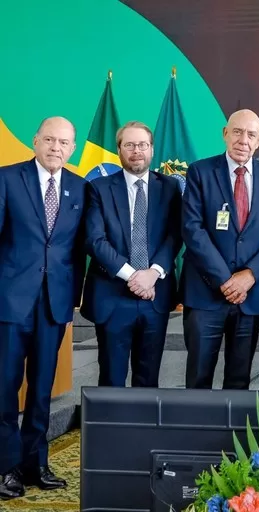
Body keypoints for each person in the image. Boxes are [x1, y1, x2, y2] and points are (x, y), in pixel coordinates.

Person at [0, 117, 86, 499]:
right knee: (5, 387)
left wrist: (75, 297)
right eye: (49, 139)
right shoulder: (6, 178)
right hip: (10, 301)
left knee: (41, 389)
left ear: (72, 148)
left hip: (54, 303)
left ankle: (36, 463)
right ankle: (6, 468)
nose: (55, 147)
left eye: (63, 142)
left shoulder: (80, 188)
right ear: (35, 141)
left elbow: (80, 248)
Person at [181, 109, 259, 390]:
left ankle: (231, 436)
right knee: (199, 376)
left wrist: (249, 276)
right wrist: (226, 280)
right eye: (237, 132)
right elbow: (193, 229)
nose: (243, 140)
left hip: (249, 297)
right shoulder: (200, 172)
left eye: (251, 134)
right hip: (205, 293)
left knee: (239, 380)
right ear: (225, 134)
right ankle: (197, 433)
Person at [82, 121, 183, 388]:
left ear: (151, 149)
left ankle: (145, 431)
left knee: (148, 378)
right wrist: (133, 276)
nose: (136, 150)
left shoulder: (171, 187)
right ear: (119, 150)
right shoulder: (98, 188)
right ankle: (109, 431)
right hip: (112, 296)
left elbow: (176, 234)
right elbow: (95, 240)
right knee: (112, 379)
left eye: (142, 145)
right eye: (129, 145)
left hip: (155, 295)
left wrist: (153, 274)